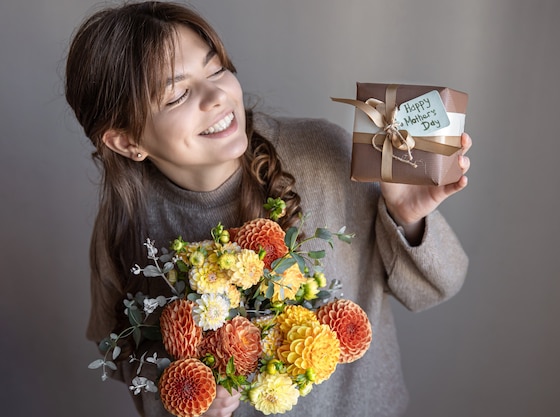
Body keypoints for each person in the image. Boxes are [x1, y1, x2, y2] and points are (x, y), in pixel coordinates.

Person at [65, 2, 471, 416]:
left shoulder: (324, 153)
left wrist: (408, 216)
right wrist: (184, 399)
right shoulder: (127, 225)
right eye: (178, 94)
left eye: (217, 69)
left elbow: (438, 288)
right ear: (126, 142)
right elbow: (121, 354)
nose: (217, 96)